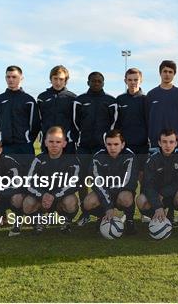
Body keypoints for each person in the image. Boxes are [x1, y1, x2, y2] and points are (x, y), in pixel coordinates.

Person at [73, 72, 117, 226]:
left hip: (101, 148)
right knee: (82, 180)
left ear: (103, 83)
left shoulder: (111, 101)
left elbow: (113, 125)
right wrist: (83, 136)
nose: (96, 83)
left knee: (100, 180)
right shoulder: (79, 100)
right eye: (93, 81)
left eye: (99, 81)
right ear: (88, 82)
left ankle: (102, 211)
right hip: (84, 146)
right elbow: (75, 123)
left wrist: (104, 140)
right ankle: (84, 213)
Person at [23, 126, 80, 234]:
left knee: (71, 201)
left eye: (58, 142)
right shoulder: (38, 160)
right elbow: (28, 182)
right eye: (51, 141)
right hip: (42, 200)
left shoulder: (72, 161)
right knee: (27, 203)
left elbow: (74, 184)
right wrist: (42, 195)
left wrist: (54, 195)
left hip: (60, 200)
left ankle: (66, 222)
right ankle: (38, 221)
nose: (54, 145)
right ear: (45, 143)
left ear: (64, 143)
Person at [82, 130, 138, 235]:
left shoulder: (130, 156)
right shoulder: (97, 157)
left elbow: (128, 183)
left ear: (123, 145)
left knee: (126, 197)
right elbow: (97, 184)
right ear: (105, 144)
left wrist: (111, 204)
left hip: (121, 192)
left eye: (116, 144)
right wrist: (108, 206)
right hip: (104, 192)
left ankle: (130, 220)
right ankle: (103, 217)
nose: (112, 148)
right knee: (88, 203)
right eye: (109, 144)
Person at [136, 129, 178, 233]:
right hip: (157, 196)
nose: (168, 145)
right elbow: (148, 185)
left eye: (171, 142)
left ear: (176, 143)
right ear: (159, 143)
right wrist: (157, 206)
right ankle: (159, 219)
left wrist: (164, 192)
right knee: (141, 201)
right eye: (164, 142)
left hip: (174, 195)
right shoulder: (152, 159)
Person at [0, 65, 40, 172]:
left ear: (21, 78)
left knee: (27, 179)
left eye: (14, 77)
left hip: (25, 147)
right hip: (5, 147)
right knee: (7, 180)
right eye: (8, 77)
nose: (11, 80)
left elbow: (35, 125)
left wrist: (27, 140)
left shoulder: (29, 100)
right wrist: (3, 138)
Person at [146, 60, 178, 150]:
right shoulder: (151, 94)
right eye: (165, 71)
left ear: (174, 74)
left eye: (170, 72)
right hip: (155, 143)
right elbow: (147, 119)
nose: (167, 74)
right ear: (160, 73)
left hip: (174, 144)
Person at [115, 68, 149, 178]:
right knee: (123, 176)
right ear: (125, 81)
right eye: (130, 80)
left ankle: (142, 196)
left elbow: (149, 122)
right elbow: (117, 123)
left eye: (136, 79)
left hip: (142, 146)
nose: (133, 82)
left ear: (141, 80)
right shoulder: (120, 99)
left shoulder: (146, 99)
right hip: (125, 146)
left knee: (141, 176)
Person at [37, 65, 77, 154]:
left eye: (61, 79)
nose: (58, 82)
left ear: (66, 80)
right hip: (48, 140)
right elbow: (38, 120)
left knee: (67, 167)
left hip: (67, 141)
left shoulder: (73, 98)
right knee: (47, 166)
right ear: (51, 79)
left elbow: (76, 121)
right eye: (55, 78)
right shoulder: (42, 97)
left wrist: (71, 136)